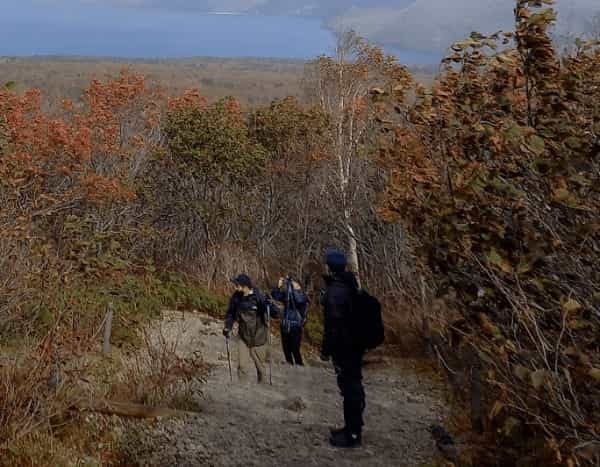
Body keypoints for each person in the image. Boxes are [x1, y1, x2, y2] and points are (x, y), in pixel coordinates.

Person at [320, 248, 365, 448]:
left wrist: (326, 349)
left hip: (344, 346)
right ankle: (350, 428)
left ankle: (353, 433)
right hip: (354, 345)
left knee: (350, 389)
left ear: (330, 267)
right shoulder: (350, 285)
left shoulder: (336, 292)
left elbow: (332, 325)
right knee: (351, 388)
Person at [223, 274, 276, 384]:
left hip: (259, 337)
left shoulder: (259, 296)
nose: (235, 287)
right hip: (243, 336)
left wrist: (270, 305)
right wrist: (227, 327)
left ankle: (263, 389)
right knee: (242, 365)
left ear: (245, 286)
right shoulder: (236, 297)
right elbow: (231, 313)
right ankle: (242, 391)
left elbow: (275, 313)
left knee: (260, 367)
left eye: (237, 285)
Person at [271, 276, 308, 366]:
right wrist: (278, 286)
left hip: (295, 326)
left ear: (299, 285)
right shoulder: (287, 295)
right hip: (285, 325)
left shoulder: (302, 296)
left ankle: (300, 366)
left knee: (295, 349)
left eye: (294, 283)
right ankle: (289, 365)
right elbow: (275, 296)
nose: (291, 284)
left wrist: (293, 289)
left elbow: (298, 300)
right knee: (286, 349)